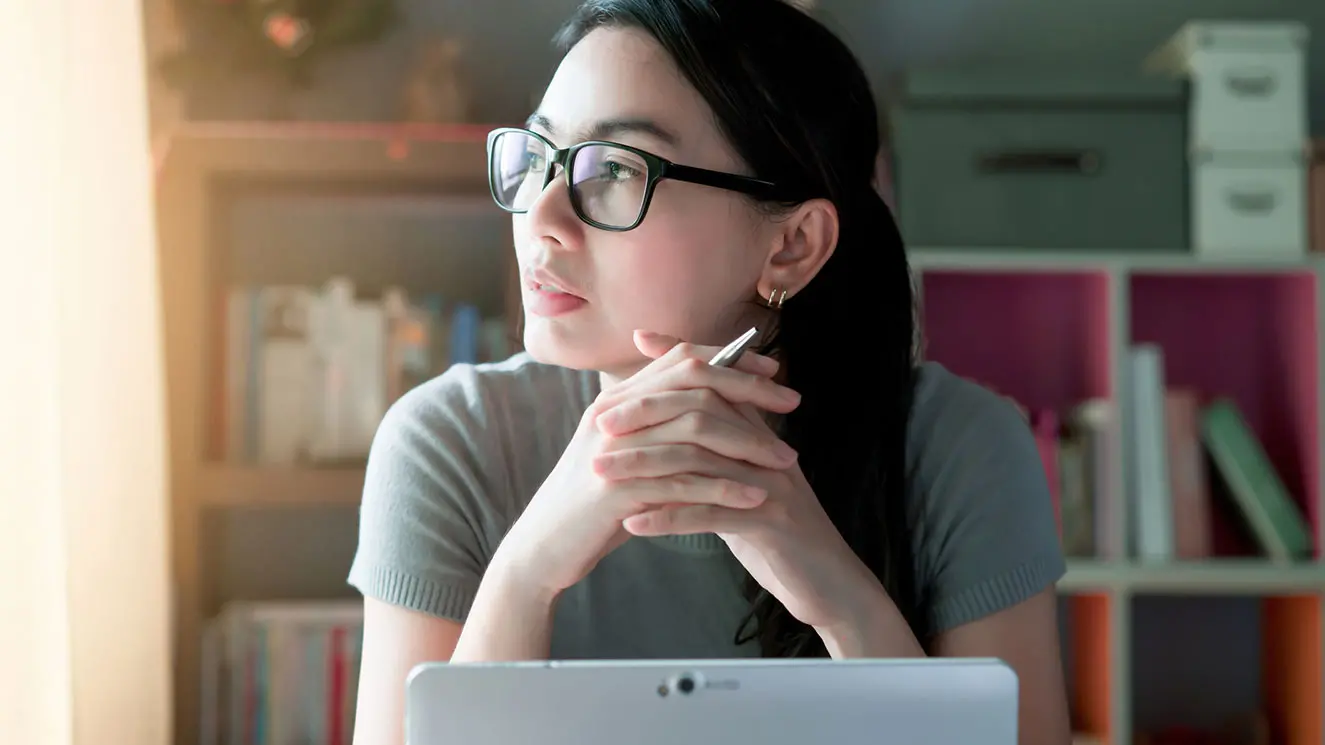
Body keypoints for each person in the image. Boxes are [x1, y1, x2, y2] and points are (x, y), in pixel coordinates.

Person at [349, 1, 1071, 744]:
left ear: (791, 244)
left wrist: (841, 600)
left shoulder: (958, 449)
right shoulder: (451, 440)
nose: (542, 216)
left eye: (615, 172)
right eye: (537, 155)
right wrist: (526, 573)